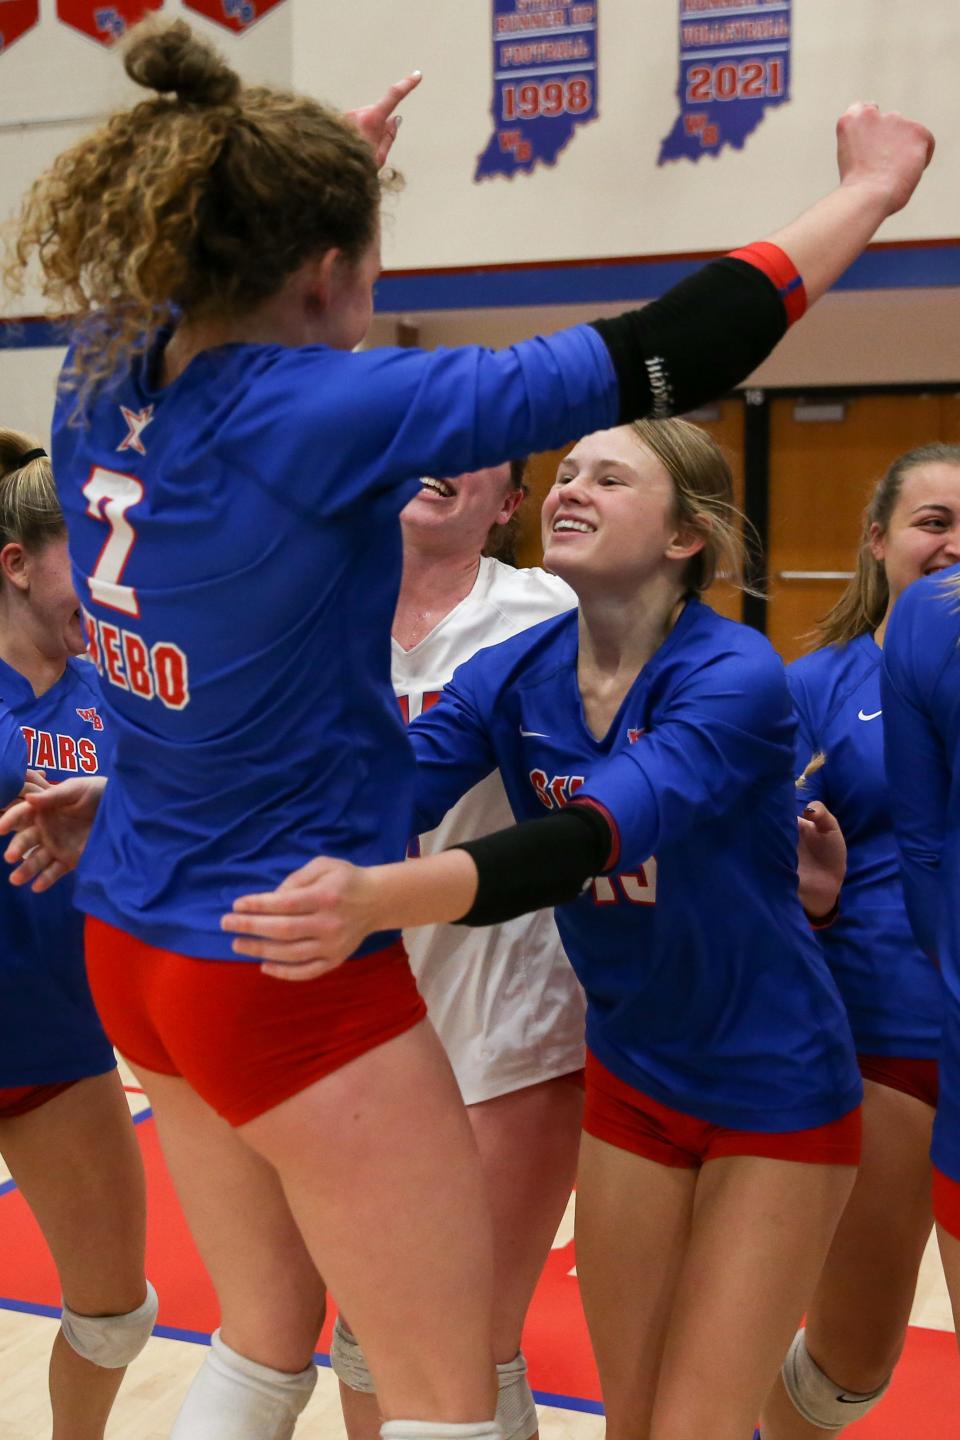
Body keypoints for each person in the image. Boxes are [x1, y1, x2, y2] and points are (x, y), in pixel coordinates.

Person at [1, 13, 933, 1440]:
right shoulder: (330, 409)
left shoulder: (99, 372)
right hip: (290, 947)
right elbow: (668, 349)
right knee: (439, 1392)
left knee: (260, 1341)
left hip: (142, 931)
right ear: (327, 273)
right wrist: (867, 195)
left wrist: (329, 193)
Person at [221, 417, 866, 1440]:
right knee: (632, 1419)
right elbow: (376, 790)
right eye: (566, 472)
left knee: (693, 1428)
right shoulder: (513, 673)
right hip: (633, 1078)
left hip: (774, 1084)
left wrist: (378, 900)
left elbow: (592, 836)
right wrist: (139, 807)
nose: (572, 488)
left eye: (610, 479)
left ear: (683, 537)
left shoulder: (733, 673)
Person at [335, 463, 583, 1440]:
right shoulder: (312, 606)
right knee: (368, 1327)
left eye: (477, 447)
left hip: (506, 1005)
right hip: (350, 1010)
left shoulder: (546, 608)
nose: (443, 454)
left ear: (508, 506)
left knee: (468, 1339)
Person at [757, 445, 960, 1437]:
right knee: (849, 1362)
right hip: (880, 1055)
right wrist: (819, 901)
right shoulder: (814, 687)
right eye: (934, 521)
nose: (956, 544)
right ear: (877, 541)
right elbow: (759, 887)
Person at [0, 432, 154, 1440]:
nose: (109, 580)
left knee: (114, 1314)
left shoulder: (129, 692)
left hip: (59, 1043)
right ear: (16, 562)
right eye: (86, 555)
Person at [880, 555, 960, 1344]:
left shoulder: (928, 617)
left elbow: (928, 856)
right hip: (898, 1034)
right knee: (855, 1348)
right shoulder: (933, 619)